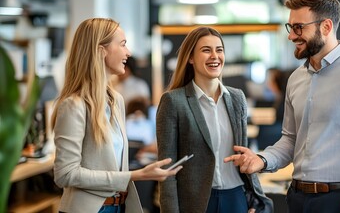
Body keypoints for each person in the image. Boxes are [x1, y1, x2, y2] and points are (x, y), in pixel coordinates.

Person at [224, 0, 340, 213]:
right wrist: (262, 160)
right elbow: (290, 140)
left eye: (298, 28)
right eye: (290, 27)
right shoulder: (296, 79)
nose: (291, 36)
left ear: (326, 27)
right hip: (297, 198)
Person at [51, 18, 181, 213]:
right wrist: (133, 175)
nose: (128, 53)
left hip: (120, 206)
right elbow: (65, 174)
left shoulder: (116, 100)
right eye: (123, 44)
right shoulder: (73, 106)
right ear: (101, 51)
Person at [156, 26, 273, 213]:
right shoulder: (173, 101)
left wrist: (253, 202)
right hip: (197, 203)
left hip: (236, 198)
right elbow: (167, 170)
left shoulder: (237, 98)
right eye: (206, 50)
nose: (214, 56)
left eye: (219, 50)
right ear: (191, 58)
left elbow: (243, 155)